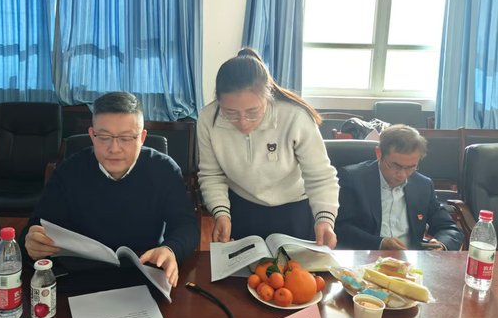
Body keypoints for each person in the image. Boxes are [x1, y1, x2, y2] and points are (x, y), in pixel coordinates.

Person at [21, 92, 199, 287]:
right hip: (82, 276)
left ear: (142, 138)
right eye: (104, 137)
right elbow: (37, 225)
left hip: (143, 272)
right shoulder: (69, 171)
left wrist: (170, 249)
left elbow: (186, 225)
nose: (114, 148)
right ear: (92, 135)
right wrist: (32, 242)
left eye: (126, 138)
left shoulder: (164, 169)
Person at [197, 48, 339, 248]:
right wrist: (220, 213)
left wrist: (324, 219)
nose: (243, 122)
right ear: (218, 100)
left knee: (295, 267)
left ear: (268, 96)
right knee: (246, 267)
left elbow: (320, 175)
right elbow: (211, 174)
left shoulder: (295, 116)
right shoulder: (208, 119)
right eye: (231, 113)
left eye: (252, 112)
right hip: (241, 208)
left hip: (294, 209)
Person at [334, 124, 463, 251]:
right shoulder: (352, 178)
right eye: (395, 166)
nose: (402, 174)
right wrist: (379, 244)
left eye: (411, 167)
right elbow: (340, 228)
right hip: (366, 257)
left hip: (410, 261)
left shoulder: (423, 185)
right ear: (379, 153)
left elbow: (448, 229)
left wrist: (441, 244)